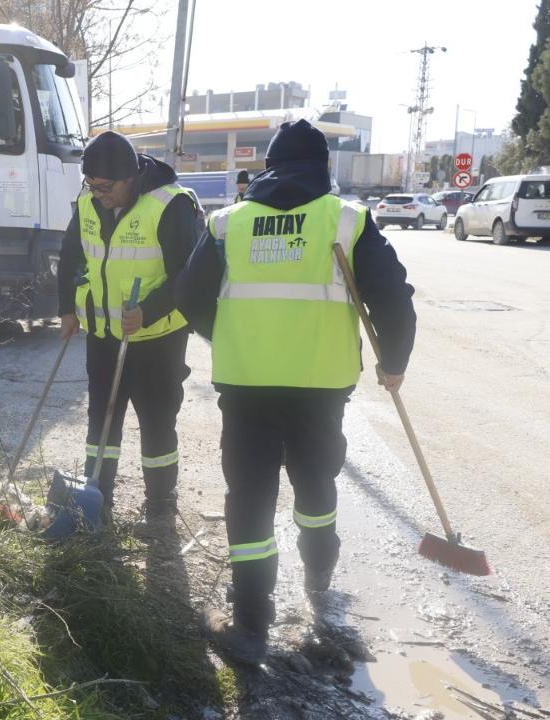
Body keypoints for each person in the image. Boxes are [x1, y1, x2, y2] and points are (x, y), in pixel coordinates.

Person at [176, 120, 417, 664]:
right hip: (320, 387)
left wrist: (227, 333)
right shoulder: (347, 220)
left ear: (268, 166)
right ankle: (319, 587)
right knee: (314, 487)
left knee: (251, 497)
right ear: (323, 167)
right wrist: (394, 361)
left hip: (247, 385)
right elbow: (393, 296)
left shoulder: (228, 223)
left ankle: (251, 622)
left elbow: (189, 293)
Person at [57, 130, 199, 524]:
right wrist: (67, 308)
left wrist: (149, 310)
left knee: (156, 422)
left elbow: (190, 276)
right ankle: (95, 499)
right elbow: (71, 255)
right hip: (103, 335)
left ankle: (159, 504)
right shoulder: (89, 203)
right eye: (91, 186)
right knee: (102, 418)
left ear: (130, 177)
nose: (98, 194)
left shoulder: (170, 205)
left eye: (104, 187)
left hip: (156, 339)